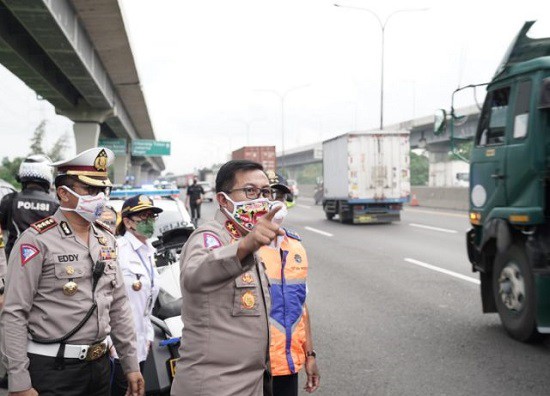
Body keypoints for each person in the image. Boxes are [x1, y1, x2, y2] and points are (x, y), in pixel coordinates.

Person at [0, 147, 144, 396]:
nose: (99, 197)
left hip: (99, 368)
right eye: (90, 189)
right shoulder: (36, 240)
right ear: (63, 194)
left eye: (102, 190)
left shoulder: (105, 239)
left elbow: (119, 305)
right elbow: (14, 312)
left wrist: (130, 363)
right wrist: (19, 381)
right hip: (53, 370)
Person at [171, 160, 284, 396]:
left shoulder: (248, 241)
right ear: (223, 200)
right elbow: (195, 275)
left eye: (265, 192)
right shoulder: (210, 236)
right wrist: (245, 246)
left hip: (252, 382)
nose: (261, 200)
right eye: (250, 191)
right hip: (214, 386)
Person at [259, 172, 320, 396]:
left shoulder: (295, 247)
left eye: (281, 196)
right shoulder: (242, 247)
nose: (276, 201)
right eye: (269, 194)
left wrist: (310, 355)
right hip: (252, 369)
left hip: (287, 365)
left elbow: (301, 308)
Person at [110, 194, 163, 396]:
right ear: (127, 222)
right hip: (118, 347)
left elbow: (146, 303)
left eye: (152, 216)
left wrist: (148, 335)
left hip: (140, 343)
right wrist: (108, 342)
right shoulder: (118, 250)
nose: (149, 221)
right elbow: (106, 297)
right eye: (143, 216)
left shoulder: (149, 251)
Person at [0, 154, 59, 258]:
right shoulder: (55, 204)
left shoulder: (9, 200)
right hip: (45, 260)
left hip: (13, 259)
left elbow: (3, 227)